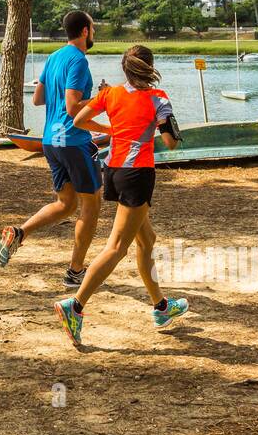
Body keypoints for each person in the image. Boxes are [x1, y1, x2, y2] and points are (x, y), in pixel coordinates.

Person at [53, 44, 189, 345]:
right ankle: (75, 306)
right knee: (116, 247)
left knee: (147, 240)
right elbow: (170, 143)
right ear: (149, 68)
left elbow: (78, 120)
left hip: (112, 171)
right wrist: (163, 124)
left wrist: (111, 129)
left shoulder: (109, 94)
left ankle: (161, 307)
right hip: (137, 175)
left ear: (125, 70)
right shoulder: (159, 99)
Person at [0, 10, 102, 288]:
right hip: (75, 141)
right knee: (90, 205)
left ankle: (19, 233)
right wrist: (101, 98)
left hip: (51, 142)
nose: (94, 31)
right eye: (93, 26)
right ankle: (75, 271)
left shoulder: (53, 58)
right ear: (85, 31)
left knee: (66, 204)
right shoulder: (79, 60)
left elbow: (38, 99)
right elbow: (72, 106)